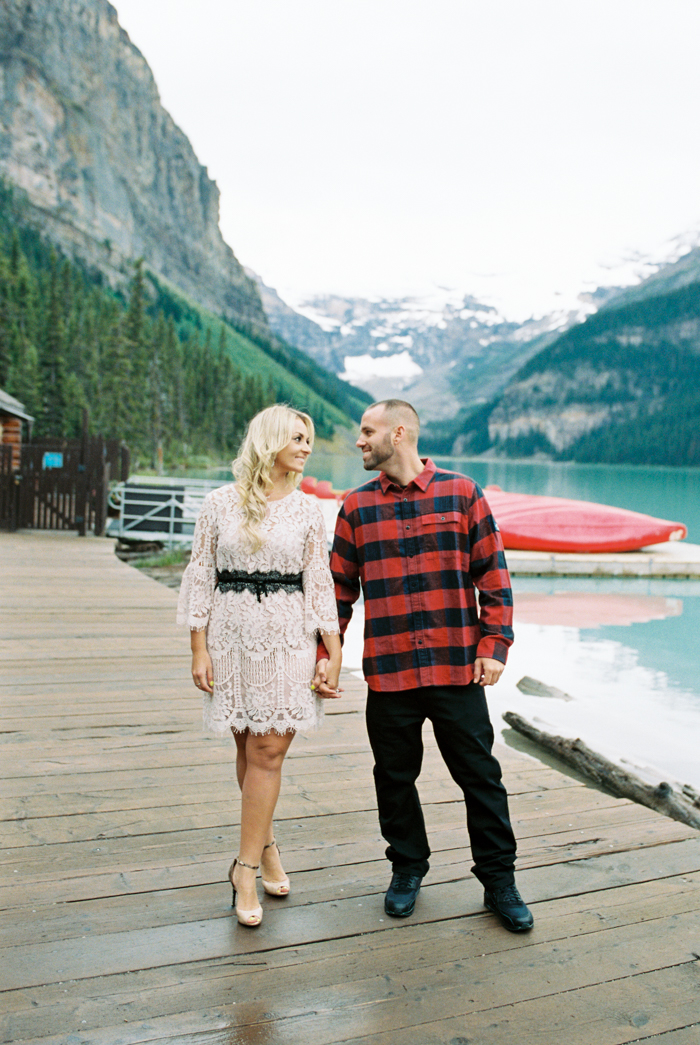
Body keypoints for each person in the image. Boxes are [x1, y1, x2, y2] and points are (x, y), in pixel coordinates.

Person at [314, 399, 533, 932]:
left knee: (480, 777)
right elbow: (335, 593)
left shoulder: (462, 493)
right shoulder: (355, 507)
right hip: (389, 673)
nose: (360, 441)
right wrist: (325, 654)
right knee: (393, 778)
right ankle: (408, 869)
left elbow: (494, 578)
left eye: (367, 432)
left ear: (400, 431)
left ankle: (499, 882)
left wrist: (493, 646)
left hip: (458, 669)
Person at [177, 404, 342, 927]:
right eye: (297, 437)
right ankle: (266, 844)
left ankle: (243, 867)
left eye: (309, 439)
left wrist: (332, 650)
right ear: (269, 441)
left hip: (289, 637)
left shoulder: (309, 510)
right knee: (248, 745)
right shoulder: (219, 504)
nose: (306, 447)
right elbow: (201, 575)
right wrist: (198, 647)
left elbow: (319, 581)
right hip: (229, 635)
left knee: (269, 748)